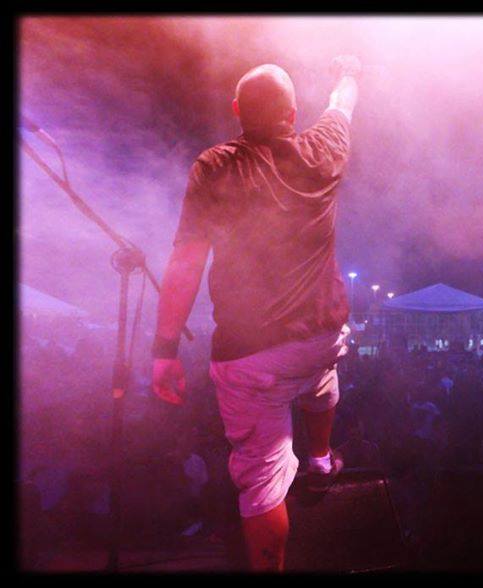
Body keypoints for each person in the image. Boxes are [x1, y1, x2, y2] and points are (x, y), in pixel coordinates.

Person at [151, 57, 361, 571]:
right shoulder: (325, 148)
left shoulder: (216, 166)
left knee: (263, 481)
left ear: (237, 110)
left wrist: (165, 349)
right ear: (292, 113)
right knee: (320, 379)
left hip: (251, 356)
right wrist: (348, 73)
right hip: (321, 335)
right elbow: (342, 104)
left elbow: (186, 263)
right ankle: (319, 459)